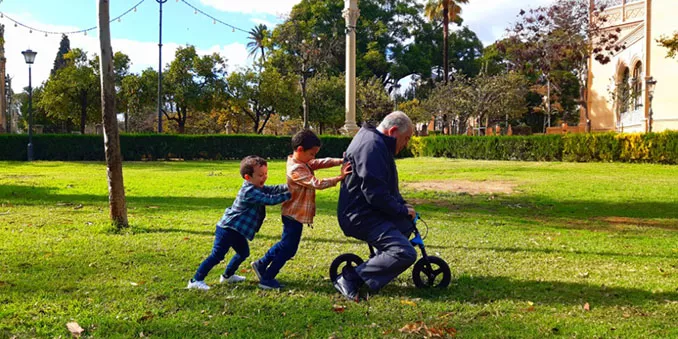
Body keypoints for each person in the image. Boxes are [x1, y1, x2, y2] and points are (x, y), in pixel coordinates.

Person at [251, 130, 351, 290]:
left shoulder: (302, 161)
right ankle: (267, 278)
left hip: (294, 215)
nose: (313, 157)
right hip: (293, 214)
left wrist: (340, 161)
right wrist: (339, 178)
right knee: (288, 249)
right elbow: (316, 183)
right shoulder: (295, 169)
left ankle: (261, 264)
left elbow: (319, 163)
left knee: (286, 245)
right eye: (311, 154)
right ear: (300, 150)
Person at [334, 111, 417, 302]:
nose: (405, 144)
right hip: (360, 216)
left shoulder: (375, 142)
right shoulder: (372, 146)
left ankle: (379, 264)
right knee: (404, 253)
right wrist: (401, 209)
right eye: (406, 139)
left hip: (367, 211)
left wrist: (402, 205)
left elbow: (383, 187)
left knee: (405, 225)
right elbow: (375, 194)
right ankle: (350, 278)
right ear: (393, 131)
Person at [187, 156, 291, 290]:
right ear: (248, 177)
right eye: (260, 175)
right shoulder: (249, 191)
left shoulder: (256, 186)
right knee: (217, 255)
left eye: (265, 174)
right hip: (227, 229)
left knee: (243, 253)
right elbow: (269, 199)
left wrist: (288, 186)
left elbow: (271, 189)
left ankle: (227, 276)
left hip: (237, 231)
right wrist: (291, 194)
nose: (264, 177)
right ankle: (196, 280)